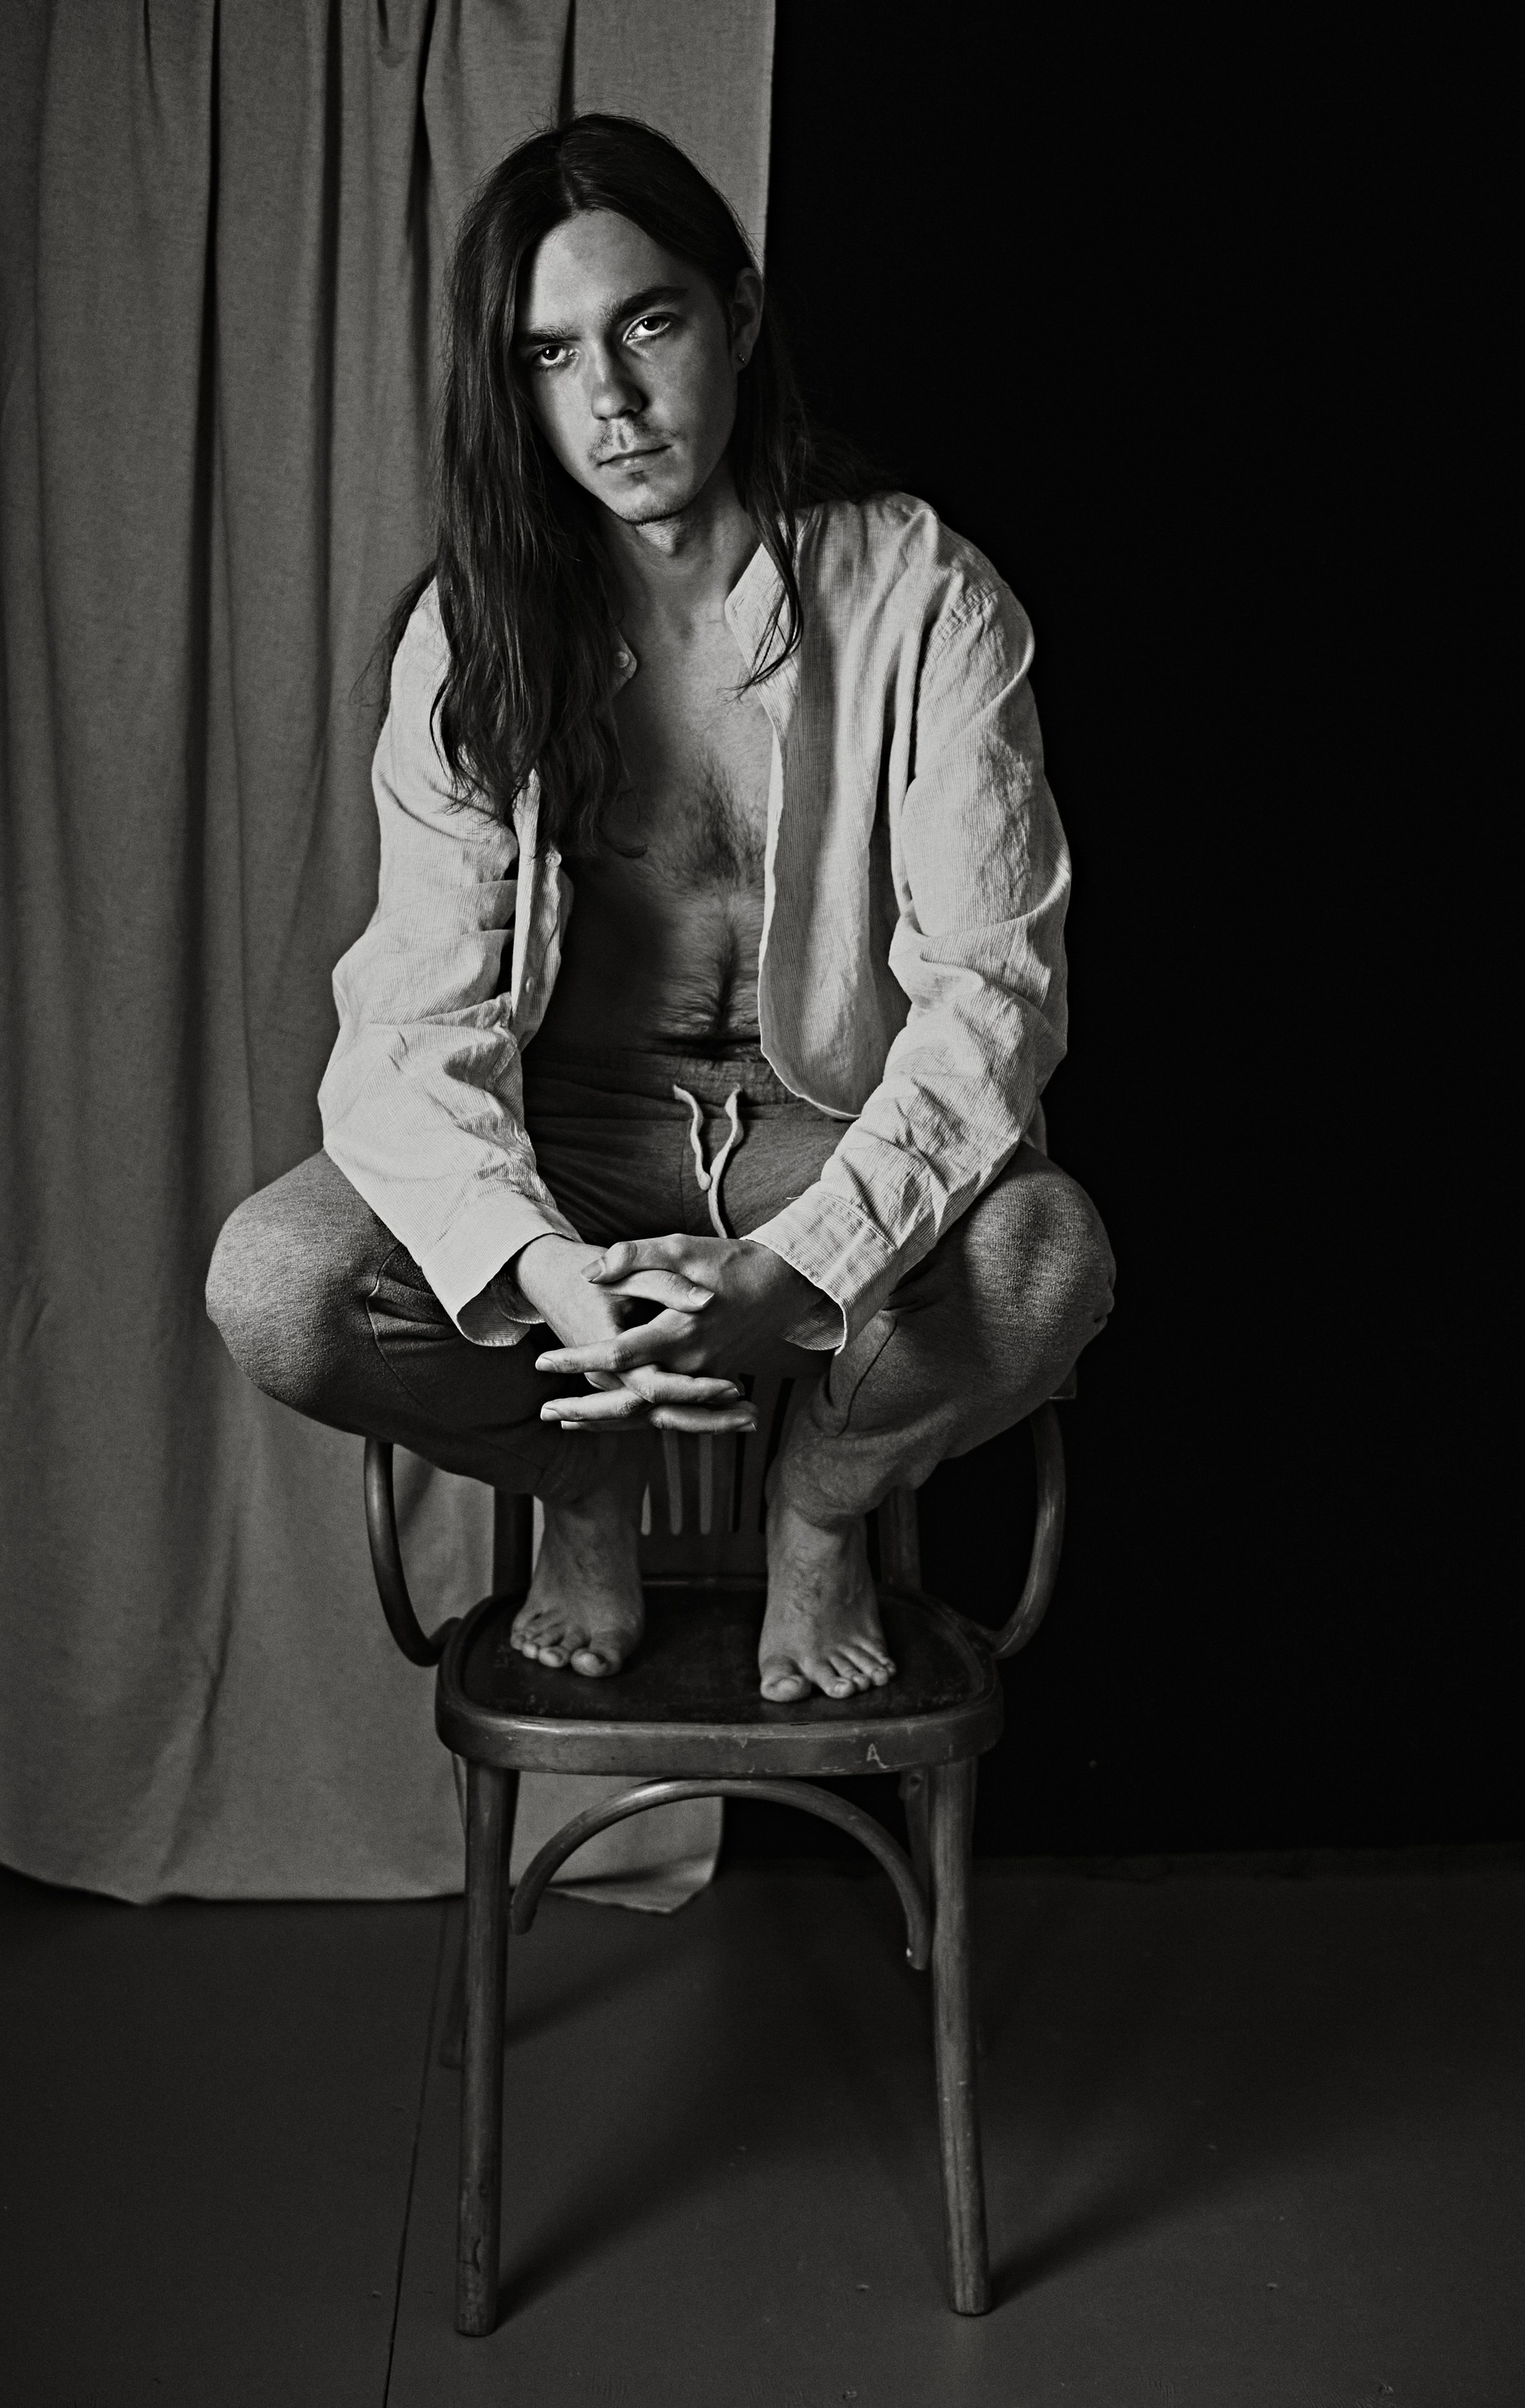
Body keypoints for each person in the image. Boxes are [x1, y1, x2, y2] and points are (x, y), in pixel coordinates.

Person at [207, 114, 1114, 1707]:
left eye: (647, 325)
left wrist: (799, 1272)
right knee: (278, 1284)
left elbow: (993, 1000)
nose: (611, 403)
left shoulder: (927, 598)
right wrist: (544, 1275)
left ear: (739, 318)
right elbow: (413, 1025)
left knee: (1048, 1260)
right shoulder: (476, 635)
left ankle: (821, 1503)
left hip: (822, 1125)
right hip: (571, 1136)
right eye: (550, 355)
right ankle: (582, 1480)